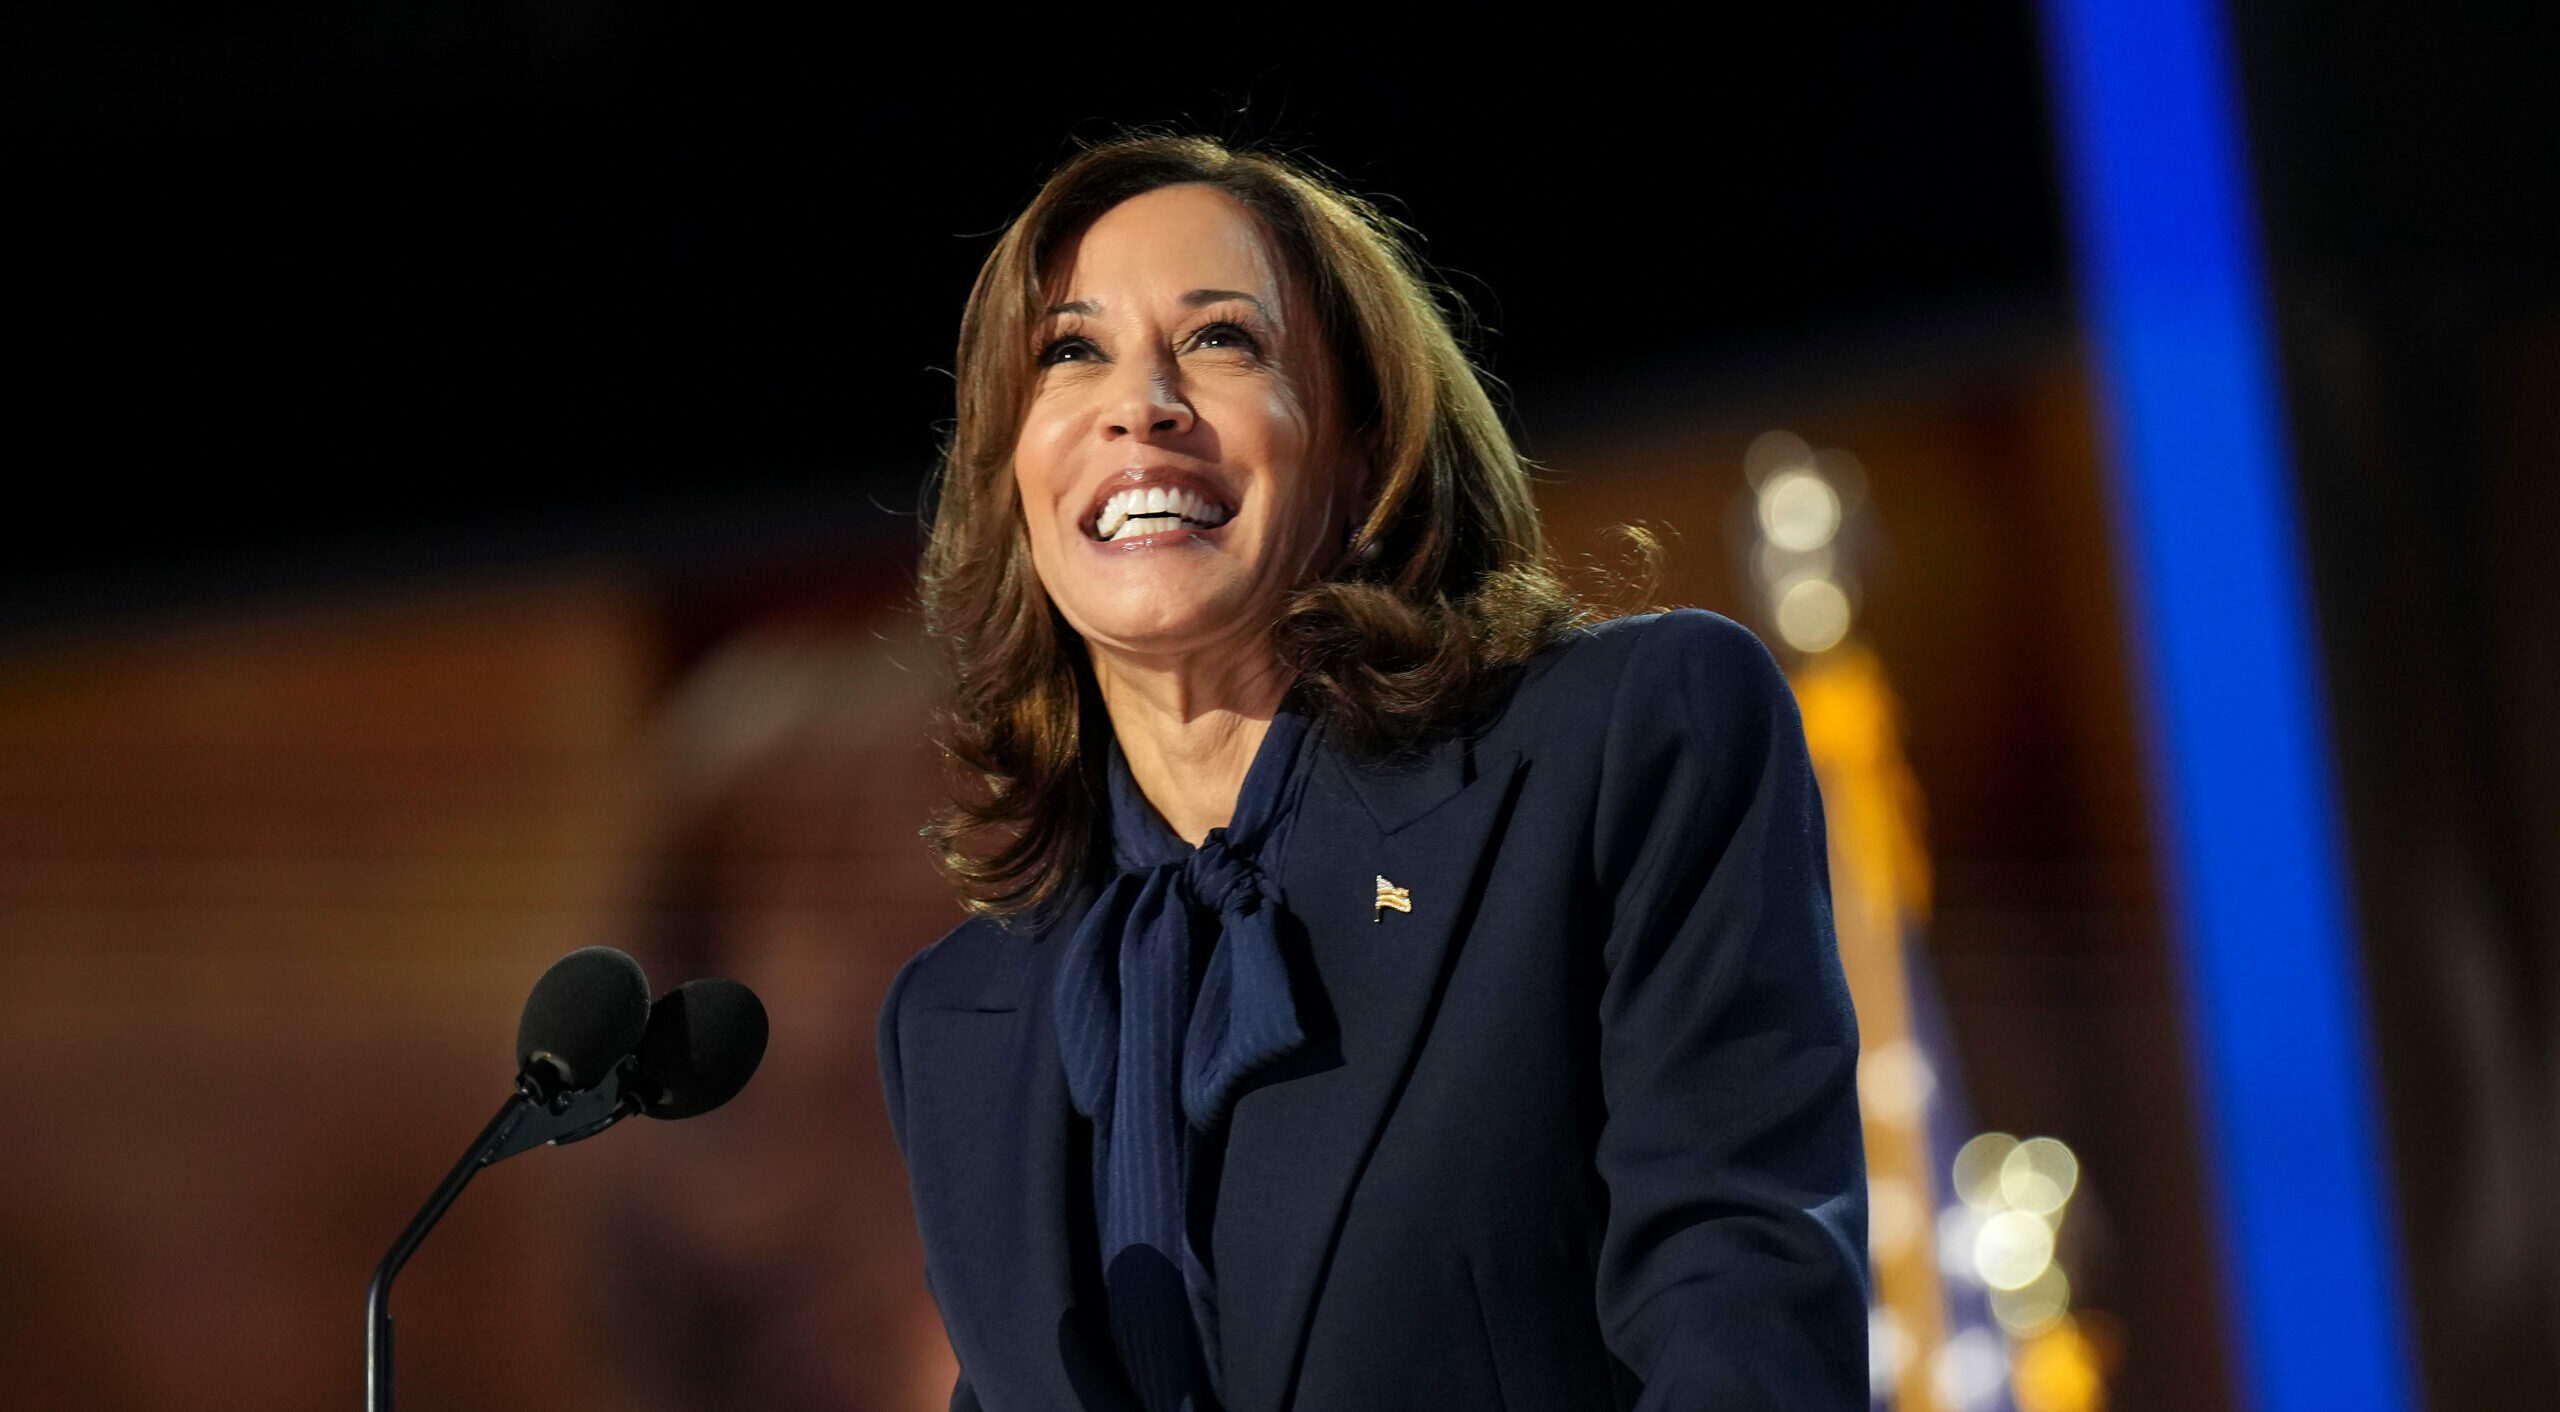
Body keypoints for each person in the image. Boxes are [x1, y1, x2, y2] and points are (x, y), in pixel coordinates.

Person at [880, 134, 1867, 1412]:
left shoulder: (1621, 744)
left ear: (1363, 447)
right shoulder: (964, 1017)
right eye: (1070, 352)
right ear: (1012, 477)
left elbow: (1742, 1316)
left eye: (1222, 340)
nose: (1140, 403)